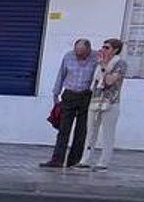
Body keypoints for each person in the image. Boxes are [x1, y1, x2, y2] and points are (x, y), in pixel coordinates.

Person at [42, 38, 96, 168]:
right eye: (76, 52)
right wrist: (56, 94)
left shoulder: (96, 58)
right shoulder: (68, 56)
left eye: (82, 54)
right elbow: (61, 74)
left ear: (88, 50)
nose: (78, 56)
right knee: (63, 129)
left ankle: (74, 160)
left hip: (86, 95)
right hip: (69, 94)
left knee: (81, 130)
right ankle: (57, 159)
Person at [82, 37, 128, 170]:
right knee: (90, 131)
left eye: (107, 48)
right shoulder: (99, 63)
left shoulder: (120, 64)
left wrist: (104, 66)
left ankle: (104, 161)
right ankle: (85, 159)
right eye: (103, 47)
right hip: (96, 100)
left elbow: (109, 81)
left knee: (107, 133)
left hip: (110, 102)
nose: (103, 50)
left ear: (115, 50)